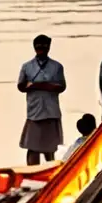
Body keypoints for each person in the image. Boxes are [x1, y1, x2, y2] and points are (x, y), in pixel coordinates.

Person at [18, 34, 67, 165]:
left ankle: (50, 175)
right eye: (38, 46)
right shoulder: (27, 66)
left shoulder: (57, 66)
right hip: (34, 113)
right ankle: (32, 174)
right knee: (32, 148)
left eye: (44, 45)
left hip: (51, 111)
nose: (41, 48)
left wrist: (41, 85)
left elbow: (62, 87)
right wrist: (32, 86)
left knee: (50, 149)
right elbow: (21, 86)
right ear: (34, 47)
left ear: (49, 47)